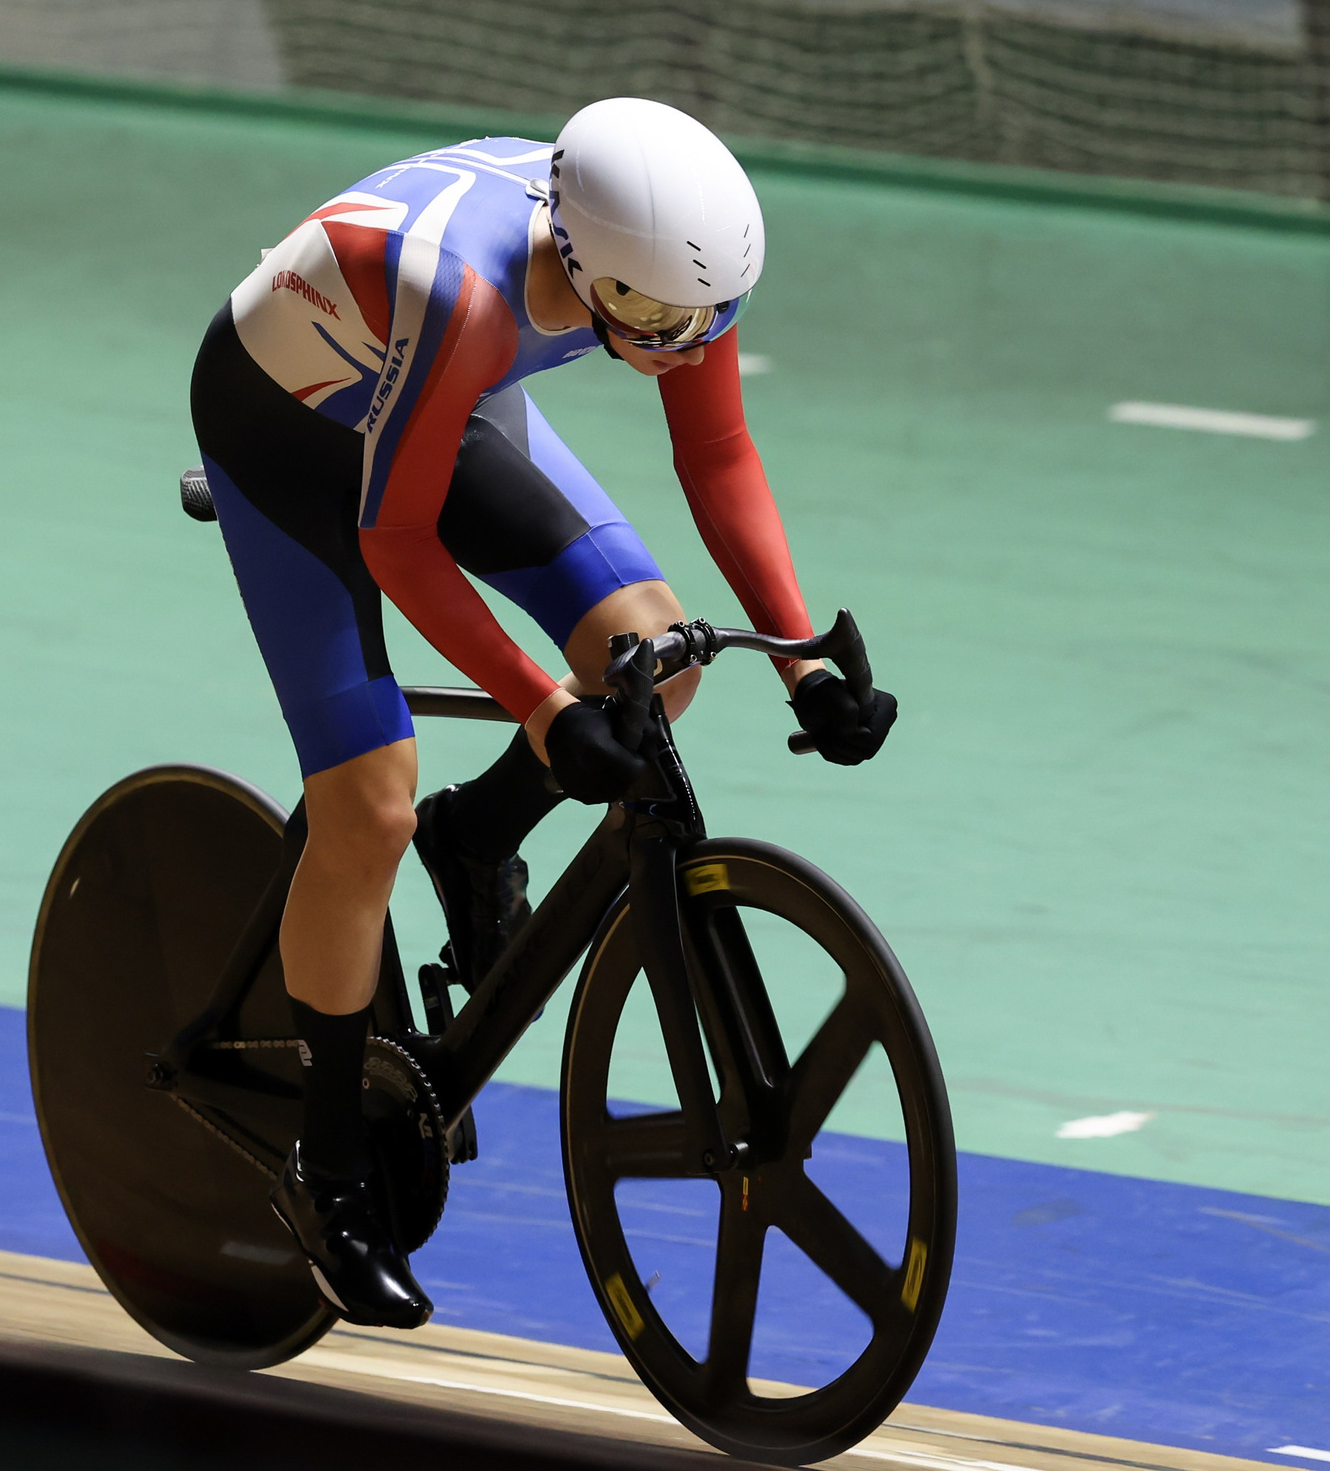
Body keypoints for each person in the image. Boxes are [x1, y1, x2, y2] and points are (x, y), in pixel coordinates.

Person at [190, 97, 898, 1329]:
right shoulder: (471, 292)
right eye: (665, 327)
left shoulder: (662, 262)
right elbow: (396, 542)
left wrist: (802, 662)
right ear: (583, 269)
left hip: (429, 396)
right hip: (291, 432)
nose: (692, 344)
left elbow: (717, 453)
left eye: (714, 321)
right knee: (368, 807)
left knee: (657, 659)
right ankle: (330, 1171)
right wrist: (535, 706)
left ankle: (481, 835)